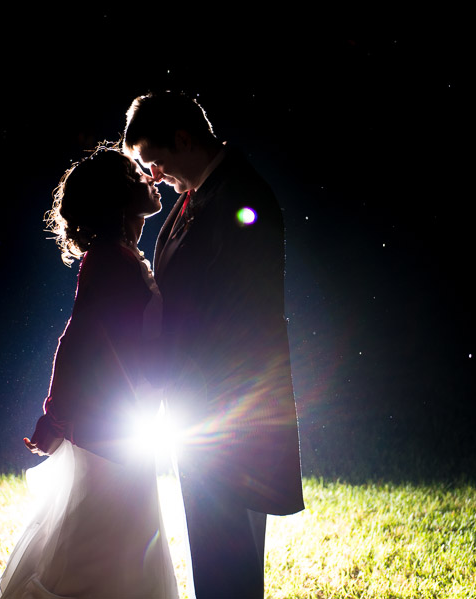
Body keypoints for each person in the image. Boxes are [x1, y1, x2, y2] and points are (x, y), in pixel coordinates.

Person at [123, 91, 304, 599]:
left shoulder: (241, 195)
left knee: (228, 549)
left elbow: (240, 311)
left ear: (184, 139)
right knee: (217, 545)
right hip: (202, 400)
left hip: (227, 405)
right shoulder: (198, 194)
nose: (154, 176)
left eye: (155, 161)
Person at [0, 148, 178, 599]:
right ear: (117, 197)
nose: (150, 176)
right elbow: (78, 342)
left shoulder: (122, 255)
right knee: (102, 554)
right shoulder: (111, 260)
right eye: (136, 174)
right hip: (108, 430)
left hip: (125, 424)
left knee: (117, 544)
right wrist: (54, 419)